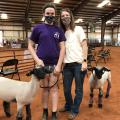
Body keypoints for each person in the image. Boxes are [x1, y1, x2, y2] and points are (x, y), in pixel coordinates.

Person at [28, 3, 66, 120]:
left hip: (55, 64)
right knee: (44, 89)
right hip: (42, 65)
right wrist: (37, 60)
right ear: (44, 14)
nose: (50, 15)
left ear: (55, 15)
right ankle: (45, 112)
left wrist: (59, 65)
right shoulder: (37, 28)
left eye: (52, 14)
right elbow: (30, 45)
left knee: (54, 89)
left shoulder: (58, 29)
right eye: (48, 13)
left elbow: (63, 48)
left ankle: (54, 113)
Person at [59, 8, 88, 120]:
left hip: (78, 64)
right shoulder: (61, 33)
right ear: (60, 19)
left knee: (78, 89)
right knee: (66, 89)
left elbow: (84, 45)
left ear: (70, 16)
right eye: (63, 16)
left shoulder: (78, 29)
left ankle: (74, 109)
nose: (65, 17)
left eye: (67, 15)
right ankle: (68, 105)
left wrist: (85, 61)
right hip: (66, 66)